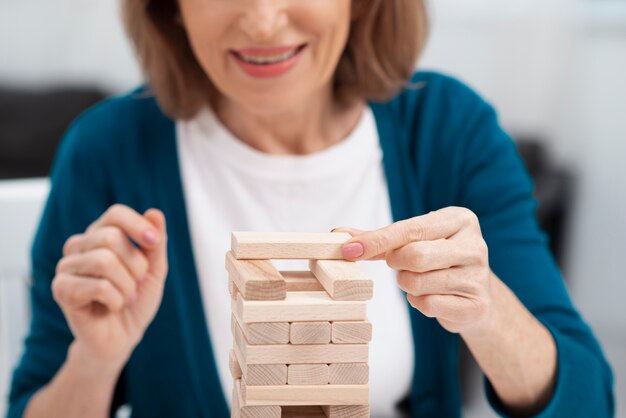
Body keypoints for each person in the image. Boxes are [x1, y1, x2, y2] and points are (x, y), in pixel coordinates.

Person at [7, 1, 614, 417]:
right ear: (171, 7)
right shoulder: (108, 150)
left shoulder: (449, 130)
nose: (264, 21)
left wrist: (488, 310)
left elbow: (590, 400)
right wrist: (96, 357)